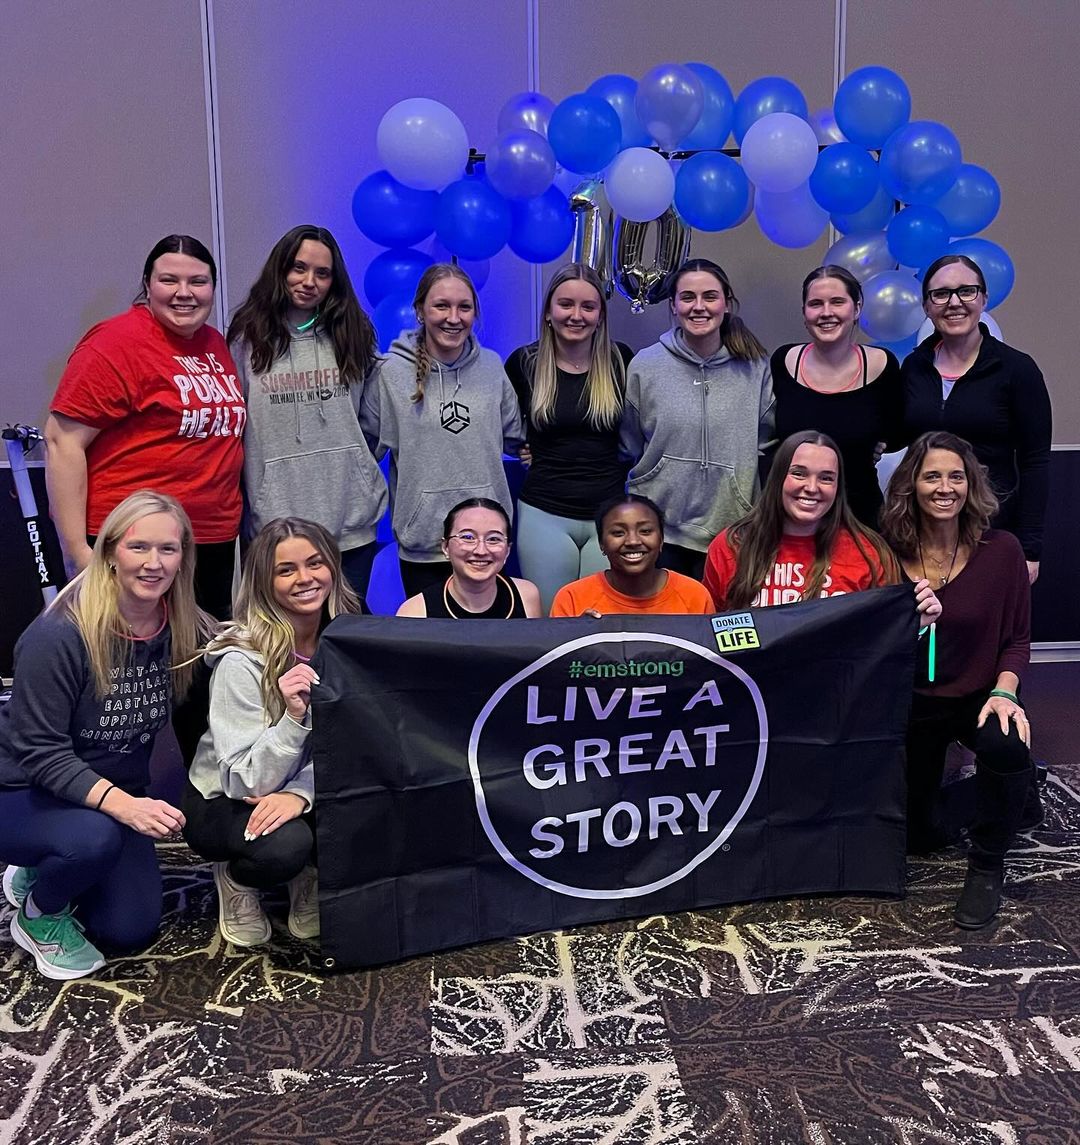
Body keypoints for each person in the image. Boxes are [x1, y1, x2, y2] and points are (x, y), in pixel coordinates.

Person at [0, 491, 215, 980]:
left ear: (184, 557)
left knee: (127, 928)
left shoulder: (179, 623)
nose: (154, 563)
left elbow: (237, 639)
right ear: (111, 551)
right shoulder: (58, 635)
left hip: (107, 794)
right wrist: (126, 806)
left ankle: (44, 867)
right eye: (139, 547)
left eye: (169, 549)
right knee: (91, 841)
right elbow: (40, 753)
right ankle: (37, 915)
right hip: (21, 789)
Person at [880, 431, 1035, 928]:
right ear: (911, 486)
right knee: (920, 838)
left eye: (956, 476)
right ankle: (1017, 793)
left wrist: (1005, 691)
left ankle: (988, 863)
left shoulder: (1003, 550)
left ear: (970, 485)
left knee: (1007, 745)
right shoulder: (885, 555)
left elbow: (1017, 638)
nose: (944, 487)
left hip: (978, 694)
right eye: (931, 476)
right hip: (913, 703)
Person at [45, 235, 244, 621]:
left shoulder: (214, 343)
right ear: (147, 284)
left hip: (210, 540)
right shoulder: (115, 343)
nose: (184, 293)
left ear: (213, 289)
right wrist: (79, 553)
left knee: (197, 665)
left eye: (198, 282)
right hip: (136, 542)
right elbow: (62, 442)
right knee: (132, 665)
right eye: (169, 280)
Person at [183, 518, 361, 946]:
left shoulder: (350, 636)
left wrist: (301, 793)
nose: (305, 579)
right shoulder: (239, 661)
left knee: (376, 812)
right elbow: (244, 779)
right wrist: (295, 720)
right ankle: (237, 880)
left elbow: (361, 747)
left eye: (315, 563)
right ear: (264, 582)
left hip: (306, 788)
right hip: (228, 796)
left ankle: (308, 875)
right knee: (284, 847)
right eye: (286, 570)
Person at [228, 225, 387, 601]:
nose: (309, 281)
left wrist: (355, 464)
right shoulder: (246, 339)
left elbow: (374, 419)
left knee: (344, 637)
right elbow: (234, 427)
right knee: (282, 643)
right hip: (276, 527)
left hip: (351, 524)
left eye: (322, 273)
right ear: (280, 270)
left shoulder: (353, 333)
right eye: (298, 268)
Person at [363, 264, 524, 599]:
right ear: (420, 311)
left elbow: (516, 438)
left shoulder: (492, 367)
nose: (454, 317)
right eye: (441, 306)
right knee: (432, 646)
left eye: (464, 307)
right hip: (424, 544)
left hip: (486, 542)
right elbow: (363, 451)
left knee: (489, 645)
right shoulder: (391, 373)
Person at [620, 258, 774, 582]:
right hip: (660, 531)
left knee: (723, 628)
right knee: (664, 629)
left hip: (731, 530)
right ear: (673, 306)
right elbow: (630, 441)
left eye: (710, 297)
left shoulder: (756, 367)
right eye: (688, 297)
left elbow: (766, 440)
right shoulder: (645, 366)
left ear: (727, 304)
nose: (698, 307)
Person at [901, 254, 1052, 584]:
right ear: (927, 306)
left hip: (993, 530)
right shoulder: (914, 367)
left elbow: (1036, 461)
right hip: (924, 533)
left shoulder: (1017, 370)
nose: (954, 302)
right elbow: (900, 433)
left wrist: (1029, 549)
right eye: (940, 294)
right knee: (927, 629)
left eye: (966, 291)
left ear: (983, 298)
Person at [703, 430, 941, 622]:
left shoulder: (869, 551)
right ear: (777, 478)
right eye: (799, 473)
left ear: (838, 488)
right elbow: (709, 637)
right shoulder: (731, 545)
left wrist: (913, 624)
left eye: (826, 478)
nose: (812, 487)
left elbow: (882, 641)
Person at [504, 264, 634, 612]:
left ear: (600, 315)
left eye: (588, 307)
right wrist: (521, 450)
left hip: (608, 514)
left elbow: (636, 434)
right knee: (551, 623)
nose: (576, 315)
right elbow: (504, 429)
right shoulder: (524, 363)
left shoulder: (621, 361)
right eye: (565, 304)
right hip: (544, 512)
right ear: (548, 311)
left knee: (600, 625)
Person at [771, 264, 904, 526]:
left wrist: (872, 445)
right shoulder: (783, 362)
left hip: (860, 517)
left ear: (856, 309)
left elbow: (899, 431)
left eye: (837, 302)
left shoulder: (882, 365)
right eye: (816, 304)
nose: (826, 312)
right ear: (804, 313)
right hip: (793, 519)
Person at [550, 494, 715, 616]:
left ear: (661, 539)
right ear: (601, 543)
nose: (633, 541)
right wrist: (576, 635)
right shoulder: (572, 598)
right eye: (618, 533)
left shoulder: (695, 595)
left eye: (645, 531)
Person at [397, 499, 542, 618]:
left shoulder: (526, 596)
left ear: (507, 550)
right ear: (445, 546)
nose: (481, 550)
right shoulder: (415, 612)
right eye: (468, 537)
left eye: (493, 539)